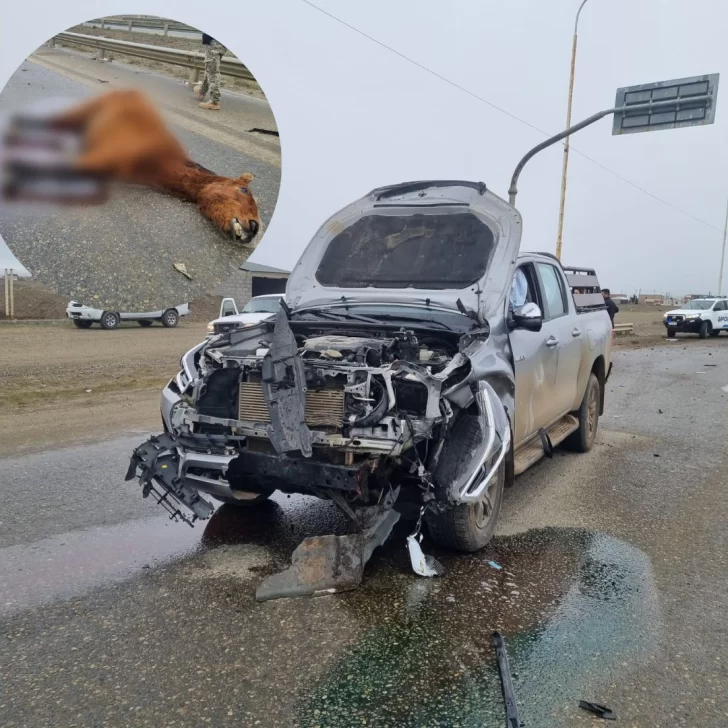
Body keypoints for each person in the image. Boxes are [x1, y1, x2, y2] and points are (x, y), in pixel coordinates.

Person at [195, 33, 227, 111]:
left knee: (213, 73)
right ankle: (202, 92)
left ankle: (214, 102)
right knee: (210, 69)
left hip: (214, 43)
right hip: (216, 43)